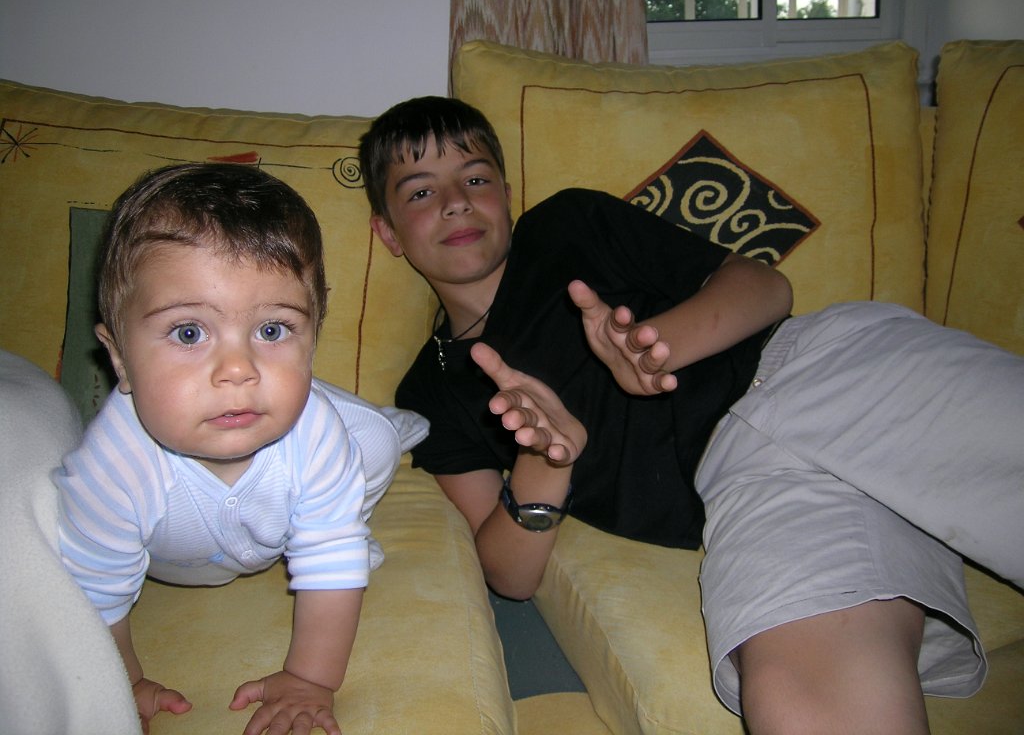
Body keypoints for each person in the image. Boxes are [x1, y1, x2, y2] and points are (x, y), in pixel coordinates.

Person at [358, 96, 1024, 734]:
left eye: (475, 178)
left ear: (506, 193)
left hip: (814, 370)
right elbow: (509, 573)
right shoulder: (431, 391)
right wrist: (544, 463)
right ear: (386, 232)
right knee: (802, 704)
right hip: (750, 491)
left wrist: (660, 347)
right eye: (420, 192)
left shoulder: (566, 225)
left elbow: (765, 286)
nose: (456, 201)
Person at [54, 163, 425, 735]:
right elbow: (94, 594)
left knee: (372, 442)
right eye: (189, 333)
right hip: (181, 550)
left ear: (313, 335)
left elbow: (331, 562)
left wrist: (310, 679)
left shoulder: (318, 436)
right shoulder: (110, 470)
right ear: (119, 357)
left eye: (272, 330)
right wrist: (122, 682)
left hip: (309, 453)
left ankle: (355, 473)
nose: (237, 369)